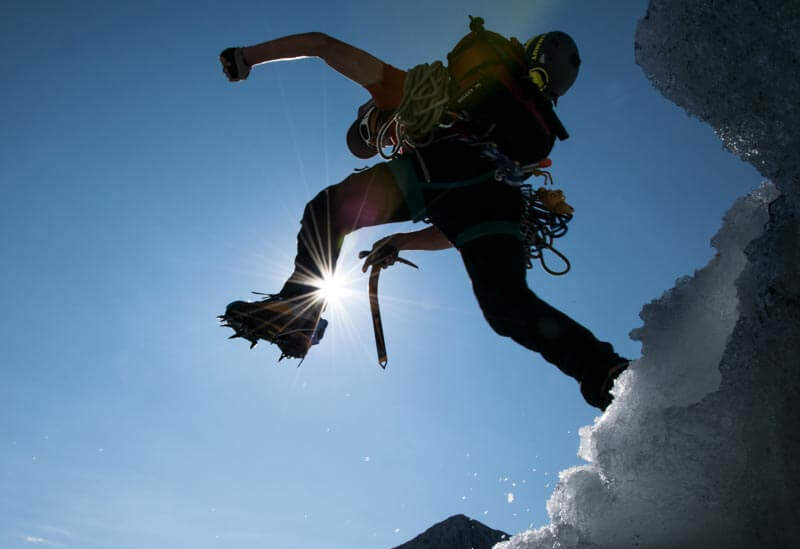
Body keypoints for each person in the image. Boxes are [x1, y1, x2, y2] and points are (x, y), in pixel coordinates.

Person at [218, 18, 629, 410]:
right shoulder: (521, 122)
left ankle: (299, 311)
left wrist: (246, 56)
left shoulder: (418, 91)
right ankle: (607, 373)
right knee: (506, 304)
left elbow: (320, 44)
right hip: (498, 196)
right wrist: (402, 242)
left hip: (439, 171)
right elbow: (462, 224)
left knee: (326, 211)